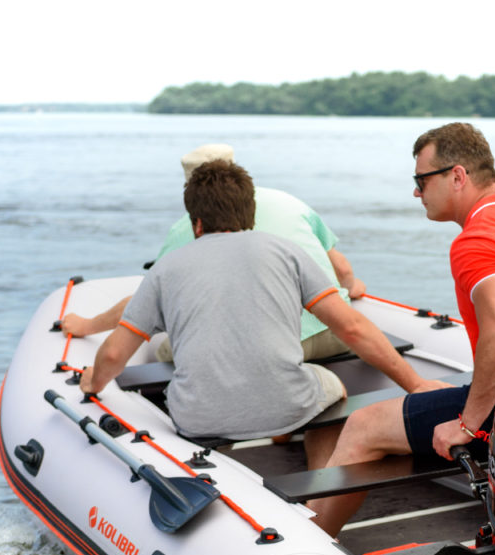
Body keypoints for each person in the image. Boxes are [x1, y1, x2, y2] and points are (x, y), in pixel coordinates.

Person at [309, 122, 495, 537]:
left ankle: (310, 544)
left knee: (362, 426)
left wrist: (466, 424)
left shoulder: (477, 240)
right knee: (443, 393)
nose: (416, 192)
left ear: (457, 176)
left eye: (421, 179)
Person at [80, 160, 442, 456]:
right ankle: (321, 477)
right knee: (333, 385)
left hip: (197, 418)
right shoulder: (286, 253)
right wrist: (415, 383)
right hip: (289, 405)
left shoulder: (166, 269)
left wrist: (92, 386)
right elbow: (352, 329)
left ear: (197, 223)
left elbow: (114, 353)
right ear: (250, 214)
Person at [63, 144, 365, 363]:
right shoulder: (290, 202)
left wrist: (87, 326)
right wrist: (352, 289)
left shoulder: (188, 228)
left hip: (268, 349)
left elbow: (144, 303)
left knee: (166, 348)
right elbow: (341, 267)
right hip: (333, 335)